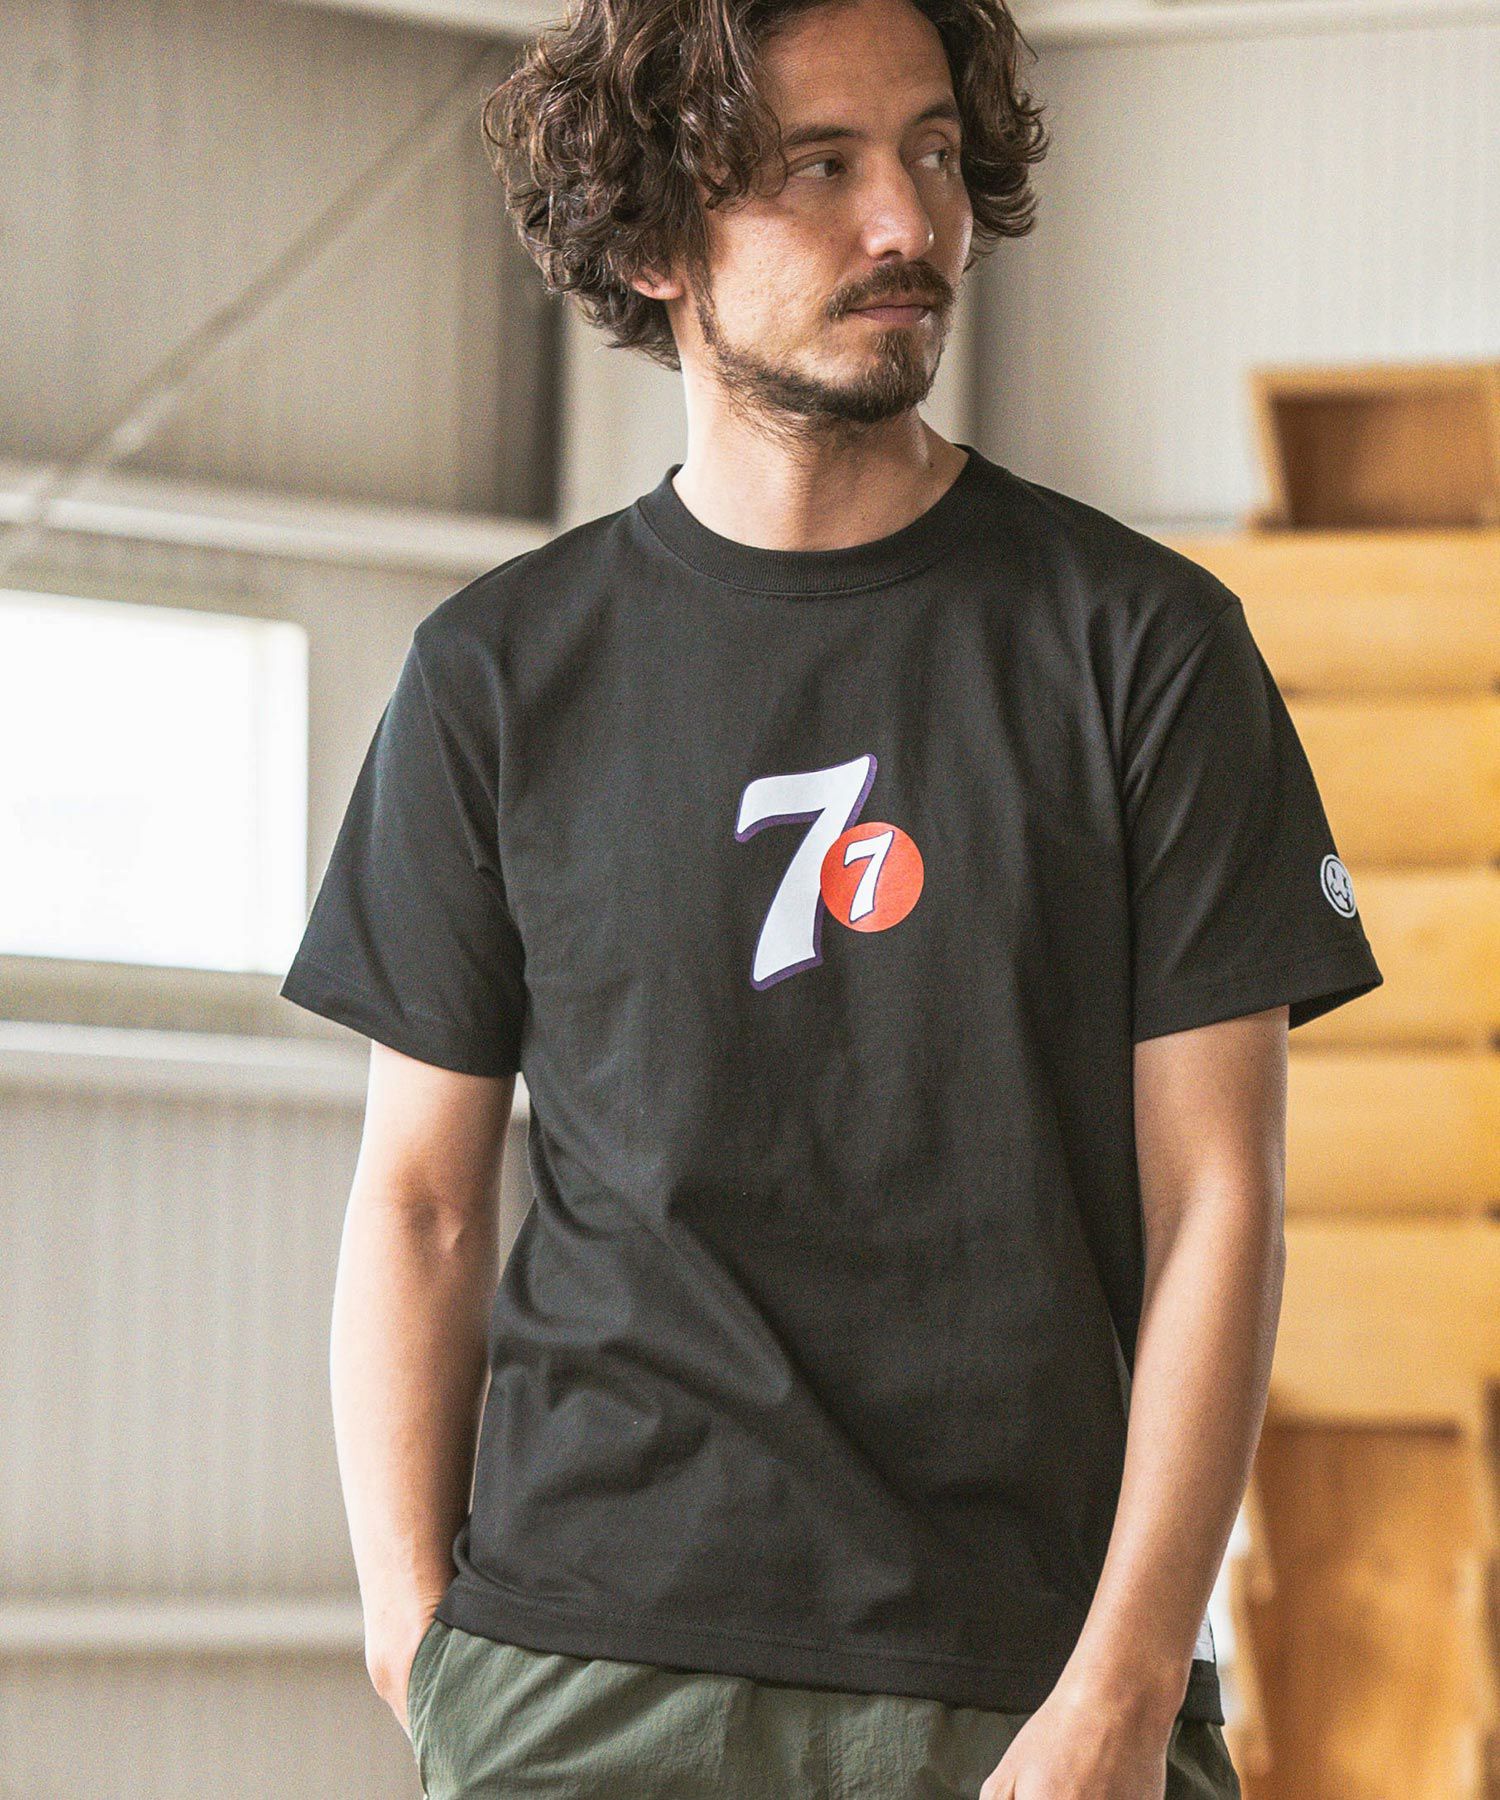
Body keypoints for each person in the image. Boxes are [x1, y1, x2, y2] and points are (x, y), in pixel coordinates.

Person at [278, 0, 1384, 1790]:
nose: (909, 222)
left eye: (934, 152)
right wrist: (419, 1638)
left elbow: (1221, 1204)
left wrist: (1119, 1694)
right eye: (820, 166)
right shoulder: (496, 677)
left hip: (1022, 1686)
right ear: (653, 238)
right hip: (584, 1675)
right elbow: (420, 1202)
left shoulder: (1146, 651)